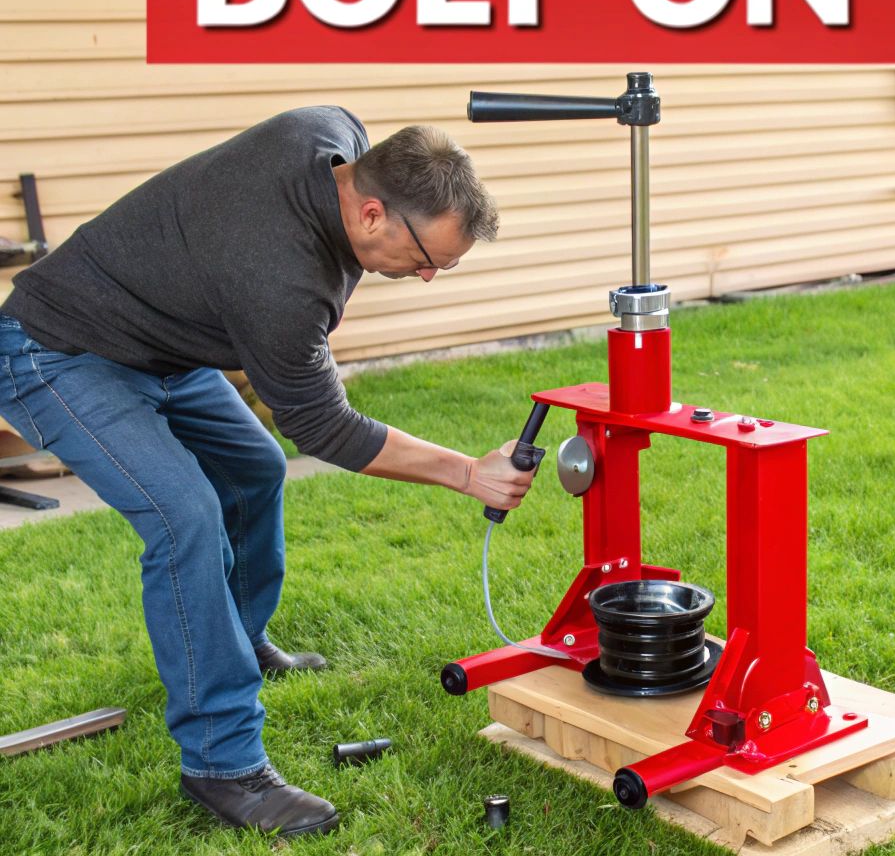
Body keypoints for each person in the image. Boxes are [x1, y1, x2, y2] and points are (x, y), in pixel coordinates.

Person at [0, 108, 538, 837]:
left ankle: (236, 637)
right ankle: (223, 767)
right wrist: (469, 472)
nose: (428, 277)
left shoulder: (330, 135)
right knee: (184, 516)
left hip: (157, 341)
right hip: (57, 348)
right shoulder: (280, 276)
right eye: (423, 259)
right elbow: (323, 426)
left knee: (253, 468)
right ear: (372, 211)